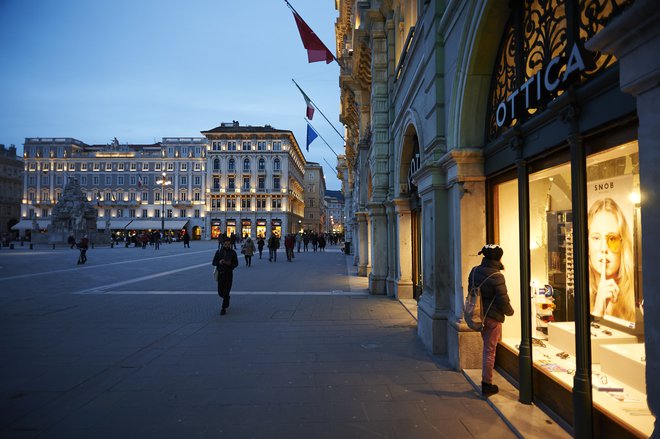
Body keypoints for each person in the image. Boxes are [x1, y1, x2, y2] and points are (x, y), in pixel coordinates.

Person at [468, 244, 514, 396]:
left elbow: (471, 292)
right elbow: (503, 300)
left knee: (487, 348)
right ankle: (487, 384)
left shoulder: (474, 271)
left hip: (479, 316)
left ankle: (486, 380)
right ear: (498, 258)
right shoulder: (497, 276)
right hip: (493, 318)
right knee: (490, 351)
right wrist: (510, 311)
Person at [588, 197, 635, 322]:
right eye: (596, 238)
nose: (604, 248)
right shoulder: (579, 298)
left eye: (612, 238)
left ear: (623, 246)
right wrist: (597, 311)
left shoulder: (634, 304)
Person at [212, 239, 239, 315]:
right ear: (223, 244)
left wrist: (230, 264)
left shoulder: (233, 252)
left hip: (228, 274)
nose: (227, 246)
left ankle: (223, 308)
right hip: (220, 274)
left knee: (226, 291)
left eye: (228, 244)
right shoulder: (219, 252)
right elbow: (213, 262)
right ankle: (227, 298)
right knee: (220, 292)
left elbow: (236, 263)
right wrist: (219, 262)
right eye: (225, 244)